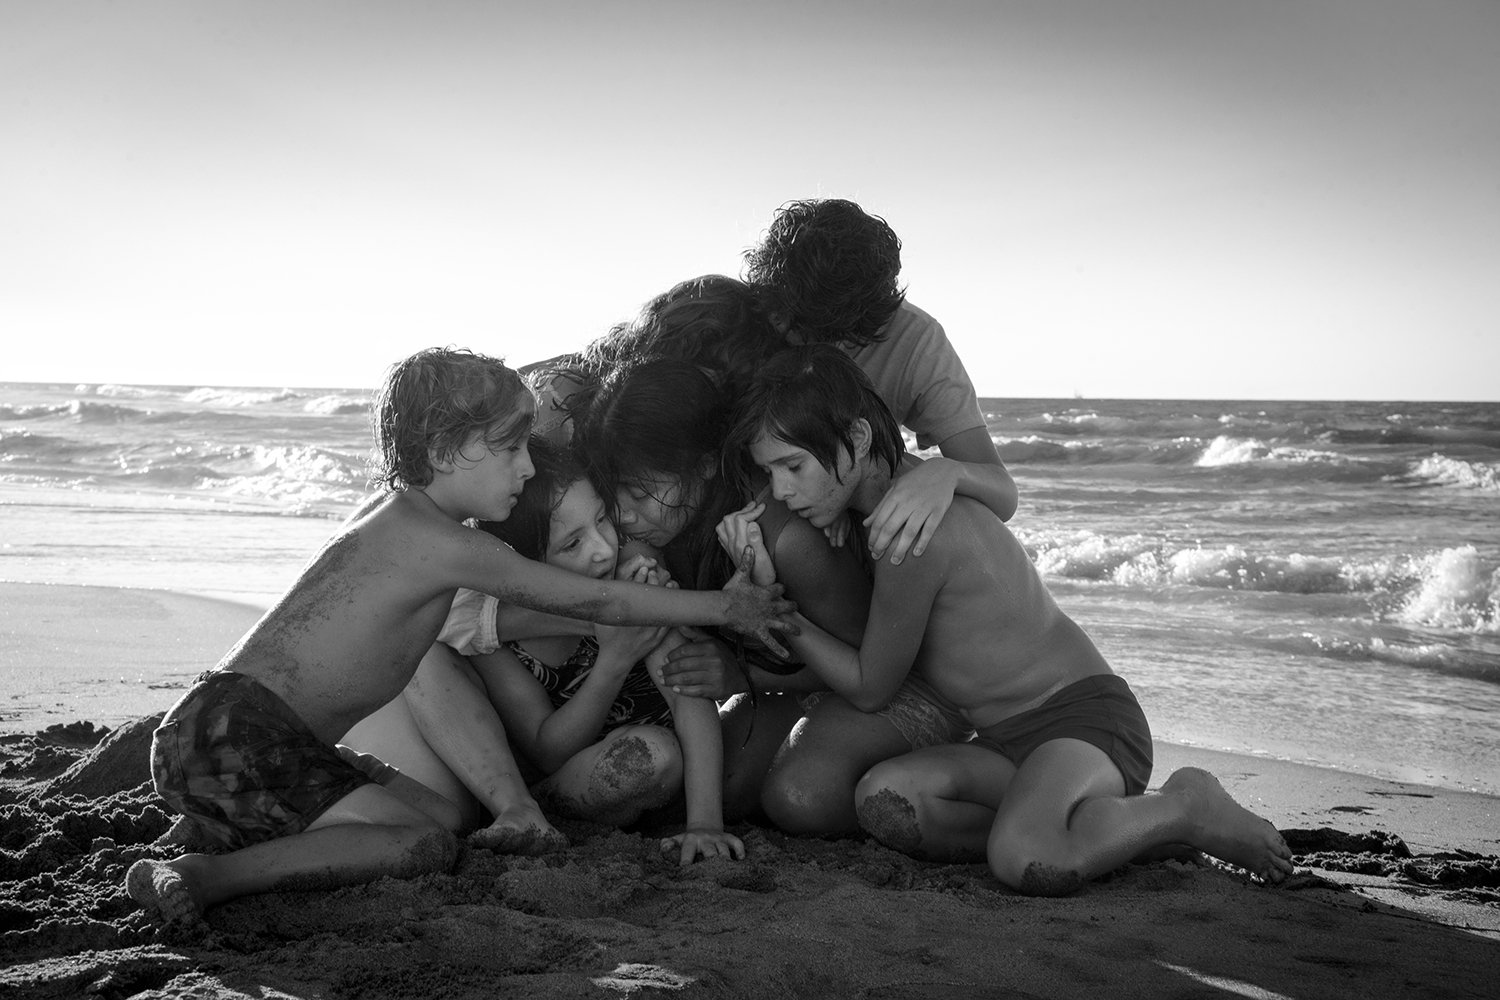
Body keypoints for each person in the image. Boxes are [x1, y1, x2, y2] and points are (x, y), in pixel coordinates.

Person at [124, 347, 796, 925]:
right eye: (509, 449)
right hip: (234, 732)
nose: (527, 468)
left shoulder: (404, 522)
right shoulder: (436, 542)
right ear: (445, 453)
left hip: (246, 733)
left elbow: (543, 614)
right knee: (421, 846)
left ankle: (220, 830)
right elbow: (592, 598)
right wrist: (728, 608)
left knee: (447, 822)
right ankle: (205, 876)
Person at [718, 344, 1295, 895]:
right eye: (770, 474)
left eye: (792, 466)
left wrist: (770, 615)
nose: (781, 491)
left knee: (1024, 858)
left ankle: (1183, 804)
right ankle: (1115, 833)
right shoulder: (898, 493)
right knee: (885, 801)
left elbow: (871, 688)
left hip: (1081, 723)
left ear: (859, 436)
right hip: (1001, 743)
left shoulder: (910, 530)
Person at [573, 357, 975, 835]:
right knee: (723, 787)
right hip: (800, 687)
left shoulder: (786, 535)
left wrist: (743, 674)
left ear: (702, 467)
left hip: (896, 688)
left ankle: (960, 777)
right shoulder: (660, 532)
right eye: (615, 494)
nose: (625, 516)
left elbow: (869, 672)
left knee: (801, 797)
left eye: (640, 493)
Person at [355, 438, 745, 865]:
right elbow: (547, 748)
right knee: (650, 755)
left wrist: (706, 822)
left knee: (655, 754)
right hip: (565, 778)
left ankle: (531, 810)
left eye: (602, 520)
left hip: (645, 780)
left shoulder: (634, 591)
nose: (603, 548)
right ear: (525, 568)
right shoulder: (496, 636)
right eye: (572, 544)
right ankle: (527, 807)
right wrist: (612, 663)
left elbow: (691, 700)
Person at [744, 197, 1019, 564]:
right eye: (783, 321)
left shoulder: (916, 342)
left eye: (820, 335)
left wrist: (946, 473)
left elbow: (1002, 496)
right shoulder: (762, 313)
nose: (788, 333)